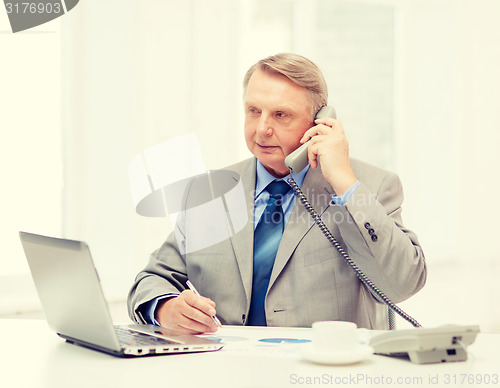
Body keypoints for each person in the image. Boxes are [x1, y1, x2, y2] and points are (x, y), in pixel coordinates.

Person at [127, 53, 426, 334]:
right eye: (254, 111)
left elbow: (402, 283)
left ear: (319, 122)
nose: (262, 129)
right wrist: (165, 308)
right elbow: (151, 279)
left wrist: (344, 183)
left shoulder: (370, 186)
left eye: (281, 115)